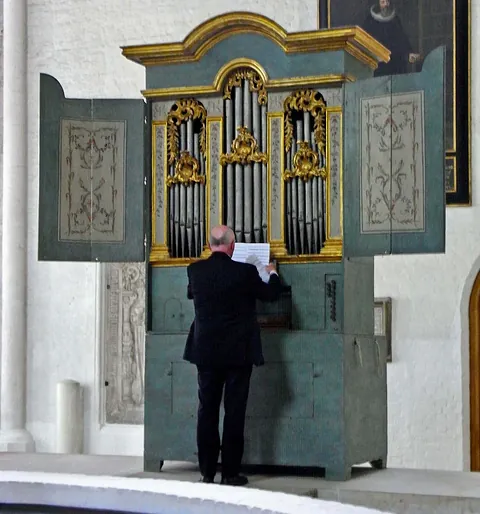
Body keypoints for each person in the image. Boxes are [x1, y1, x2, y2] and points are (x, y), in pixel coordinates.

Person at [183, 225, 282, 486]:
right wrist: (272, 273)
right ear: (233, 247)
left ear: (209, 245)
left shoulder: (195, 271)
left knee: (207, 410)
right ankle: (229, 473)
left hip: (205, 352)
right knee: (234, 413)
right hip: (238, 352)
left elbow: (192, 293)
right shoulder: (246, 272)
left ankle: (206, 472)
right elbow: (271, 294)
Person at [362, 0, 421, 76]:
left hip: (395, 64)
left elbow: (402, 40)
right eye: (383, 2)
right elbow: (365, 40)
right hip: (378, 66)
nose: (386, 5)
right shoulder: (370, 21)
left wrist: (408, 53)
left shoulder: (395, 20)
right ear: (378, 4)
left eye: (387, 2)